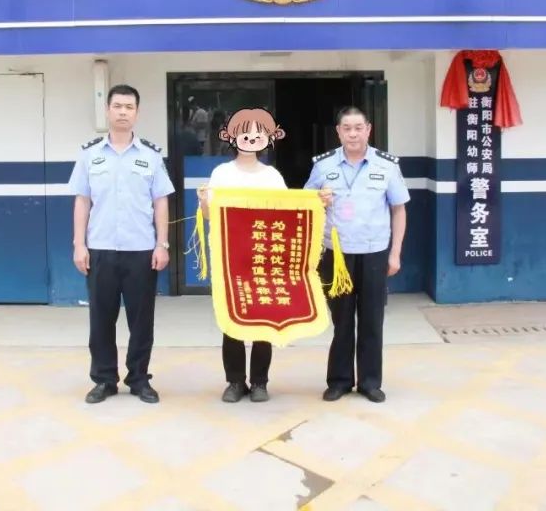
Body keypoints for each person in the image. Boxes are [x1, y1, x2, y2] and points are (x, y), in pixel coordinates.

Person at [197, 107, 330, 403]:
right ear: (231, 137)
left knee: (263, 318)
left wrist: (316, 201)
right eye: (244, 133)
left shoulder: (271, 176)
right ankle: (235, 382)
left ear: (269, 138)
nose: (250, 138)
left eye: (258, 134)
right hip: (231, 260)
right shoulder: (221, 173)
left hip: (264, 257)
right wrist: (205, 201)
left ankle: (259, 382)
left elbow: (286, 212)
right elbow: (208, 215)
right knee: (231, 317)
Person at [69, 84, 175, 404]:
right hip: (100, 249)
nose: (123, 112)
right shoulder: (90, 155)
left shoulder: (151, 156)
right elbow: (82, 201)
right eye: (117, 106)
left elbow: (160, 202)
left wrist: (162, 244)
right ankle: (104, 380)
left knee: (141, 321)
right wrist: (79, 245)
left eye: (129, 107)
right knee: (101, 319)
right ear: (108, 110)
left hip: (140, 250)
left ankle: (139, 379)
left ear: (137, 113)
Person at [303, 106, 409, 403]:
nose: (353, 134)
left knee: (372, 320)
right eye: (346, 128)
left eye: (358, 128)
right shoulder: (323, 166)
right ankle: (339, 381)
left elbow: (399, 210)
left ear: (368, 130)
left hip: (374, 253)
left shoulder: (386, 165)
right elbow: (306, 204)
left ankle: (370, 382)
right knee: (342, 321)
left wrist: (395, 253)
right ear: (338, 132)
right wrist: (318, 200)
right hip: (337, 255)